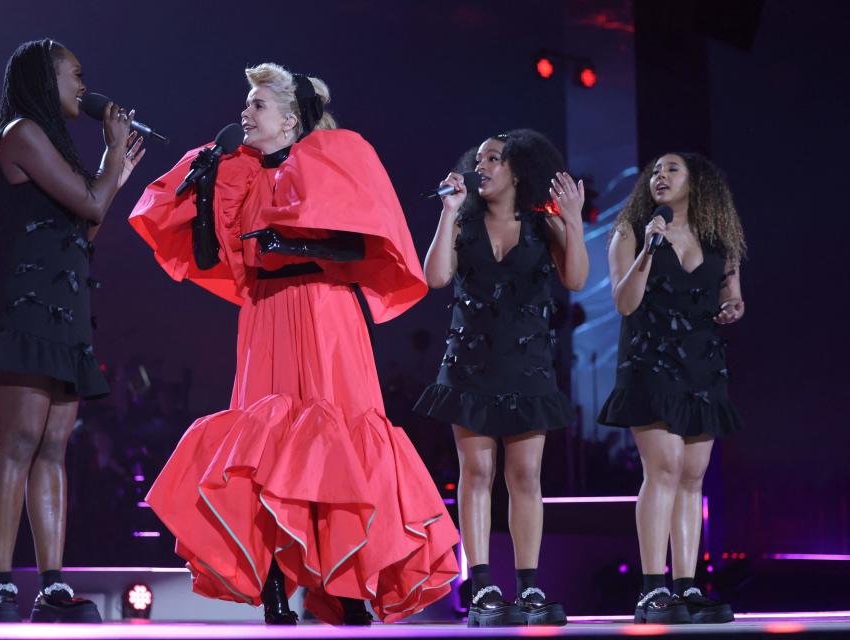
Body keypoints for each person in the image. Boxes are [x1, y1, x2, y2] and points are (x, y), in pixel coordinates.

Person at [129, 62, 458, 625]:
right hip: (265, 315)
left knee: (337, 443)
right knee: (266, 452)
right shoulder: (241, 173)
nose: (245, 114)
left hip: (325, 311)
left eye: (258, 105)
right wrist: (205, 189)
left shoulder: (333, 160)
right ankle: (276, 590)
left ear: (290, 120)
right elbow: (209, 258)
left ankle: (350, 587)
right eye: (246, 104)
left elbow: (359, 249)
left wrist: (291, 245)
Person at [0, 38, 144, 623]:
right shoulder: (21, 133)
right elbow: (91, 202)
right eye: (75, 75)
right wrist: (111, 160)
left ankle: (53, 584)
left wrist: (114, 173)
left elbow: (83, 228)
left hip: (63, 303)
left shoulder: (53, 146)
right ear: (44, 77)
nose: (85, 86)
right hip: (20, 300)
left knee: (55, 445)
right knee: (17, 440)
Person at [414, 130, 588, 626]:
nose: (483, 165)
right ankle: (483, 585)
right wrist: (447, 212)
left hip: (528, 366)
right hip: (469, 365)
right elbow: (436, 277)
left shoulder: (542, 225)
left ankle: (529, 586)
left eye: (495, 159)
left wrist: (572, 221)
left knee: (526, 476)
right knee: (476, 475)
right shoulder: (463, 221)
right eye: (481, 158)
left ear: (518, 171)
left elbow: (575, 279)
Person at [598, 152, 745, 624]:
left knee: (692, 475)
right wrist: (647, 249)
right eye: (655, 171)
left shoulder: (720, 239)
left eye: (671, 170)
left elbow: (731, 292)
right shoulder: (631, 231)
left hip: (702, 364)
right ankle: (651, 590)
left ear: (696, 183)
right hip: (649, 360)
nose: (659, 177)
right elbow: (624, 302)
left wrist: (732, 306)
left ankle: (686, 586)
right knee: (663, 467)